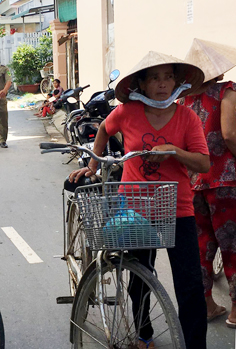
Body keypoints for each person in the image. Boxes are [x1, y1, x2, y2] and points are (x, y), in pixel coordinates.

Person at [69, 51, 208, 349]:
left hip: (177, 207)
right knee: (140, 277)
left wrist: (174, 150)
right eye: (155, 78)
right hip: (134, 208)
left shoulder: (187, 117)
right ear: (141, 85)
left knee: (191, 286)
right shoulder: (127, 112)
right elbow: (105, 129)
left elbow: (203, 163)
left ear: (177, 82)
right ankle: (143, 334)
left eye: (168, 76)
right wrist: (92, 165)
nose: (162, 84)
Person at [181, 38, 236, 328]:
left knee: (202, 245)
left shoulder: (183, 100)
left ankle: (207, 304)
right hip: (226, 181)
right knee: (233, 245)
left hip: (193, 181)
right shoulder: (228, 92)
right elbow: (229, 134)